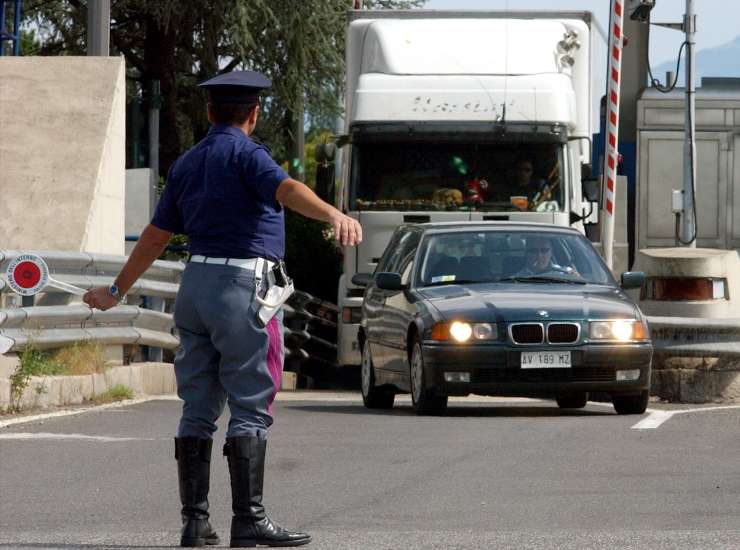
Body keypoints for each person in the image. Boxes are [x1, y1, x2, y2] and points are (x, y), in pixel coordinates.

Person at [83, 70, 362, 548]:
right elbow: (287, 189)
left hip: (195, 286)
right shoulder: (248, 154)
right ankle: (249, 519)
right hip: (243, 287)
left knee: (198, 405)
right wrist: (334, 213)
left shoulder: (188, 163)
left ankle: (195, 522)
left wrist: (116, 290)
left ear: (209, 113)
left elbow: (155, 237)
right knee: (252, 400)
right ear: (253, 114)